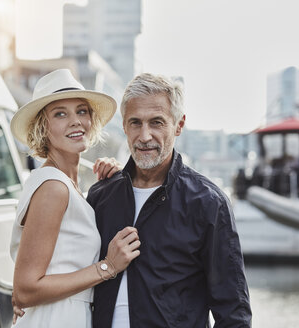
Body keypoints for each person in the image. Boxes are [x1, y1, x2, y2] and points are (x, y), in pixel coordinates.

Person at [87, 73, 252, 327]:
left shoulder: (208, 203)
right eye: (135, 123)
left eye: (156, 122)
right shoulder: (100, 197)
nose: (144, 136)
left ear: (178, 124)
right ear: (124, 126)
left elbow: (233, 311)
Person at [9, 69, 141, 327]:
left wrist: (112, 178)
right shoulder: (53, 188)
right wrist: (107, 267)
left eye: (82, 111)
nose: (75, 121)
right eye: (60, 114)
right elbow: (25, 290)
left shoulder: (66, 185)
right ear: (42, 127)